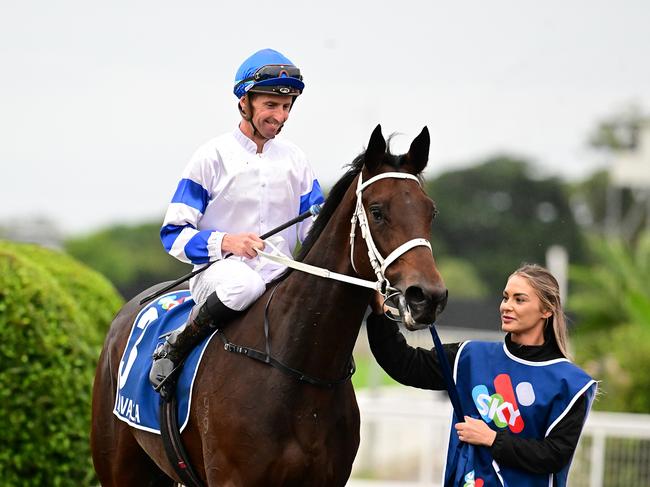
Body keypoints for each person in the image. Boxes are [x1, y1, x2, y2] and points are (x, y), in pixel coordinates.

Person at [149, 48, 324, 391]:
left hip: (279, 273)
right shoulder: (211, 156)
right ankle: (176, 345)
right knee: (245, 285)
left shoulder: (296, 159)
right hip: (218, 274)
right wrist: (227, 242)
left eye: (287, 107)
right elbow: (174, 234)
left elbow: (314, 229)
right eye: (271, 105)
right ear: (244, 102)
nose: (280, 116)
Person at [367, 264, 597, 487]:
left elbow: (553, 456)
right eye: (505, 297)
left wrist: (492, 439)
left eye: (520, 299)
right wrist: (380, 312)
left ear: (547, 310)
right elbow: (405, 365)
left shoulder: (572, 384)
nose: (506, 306)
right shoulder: (469, 356)